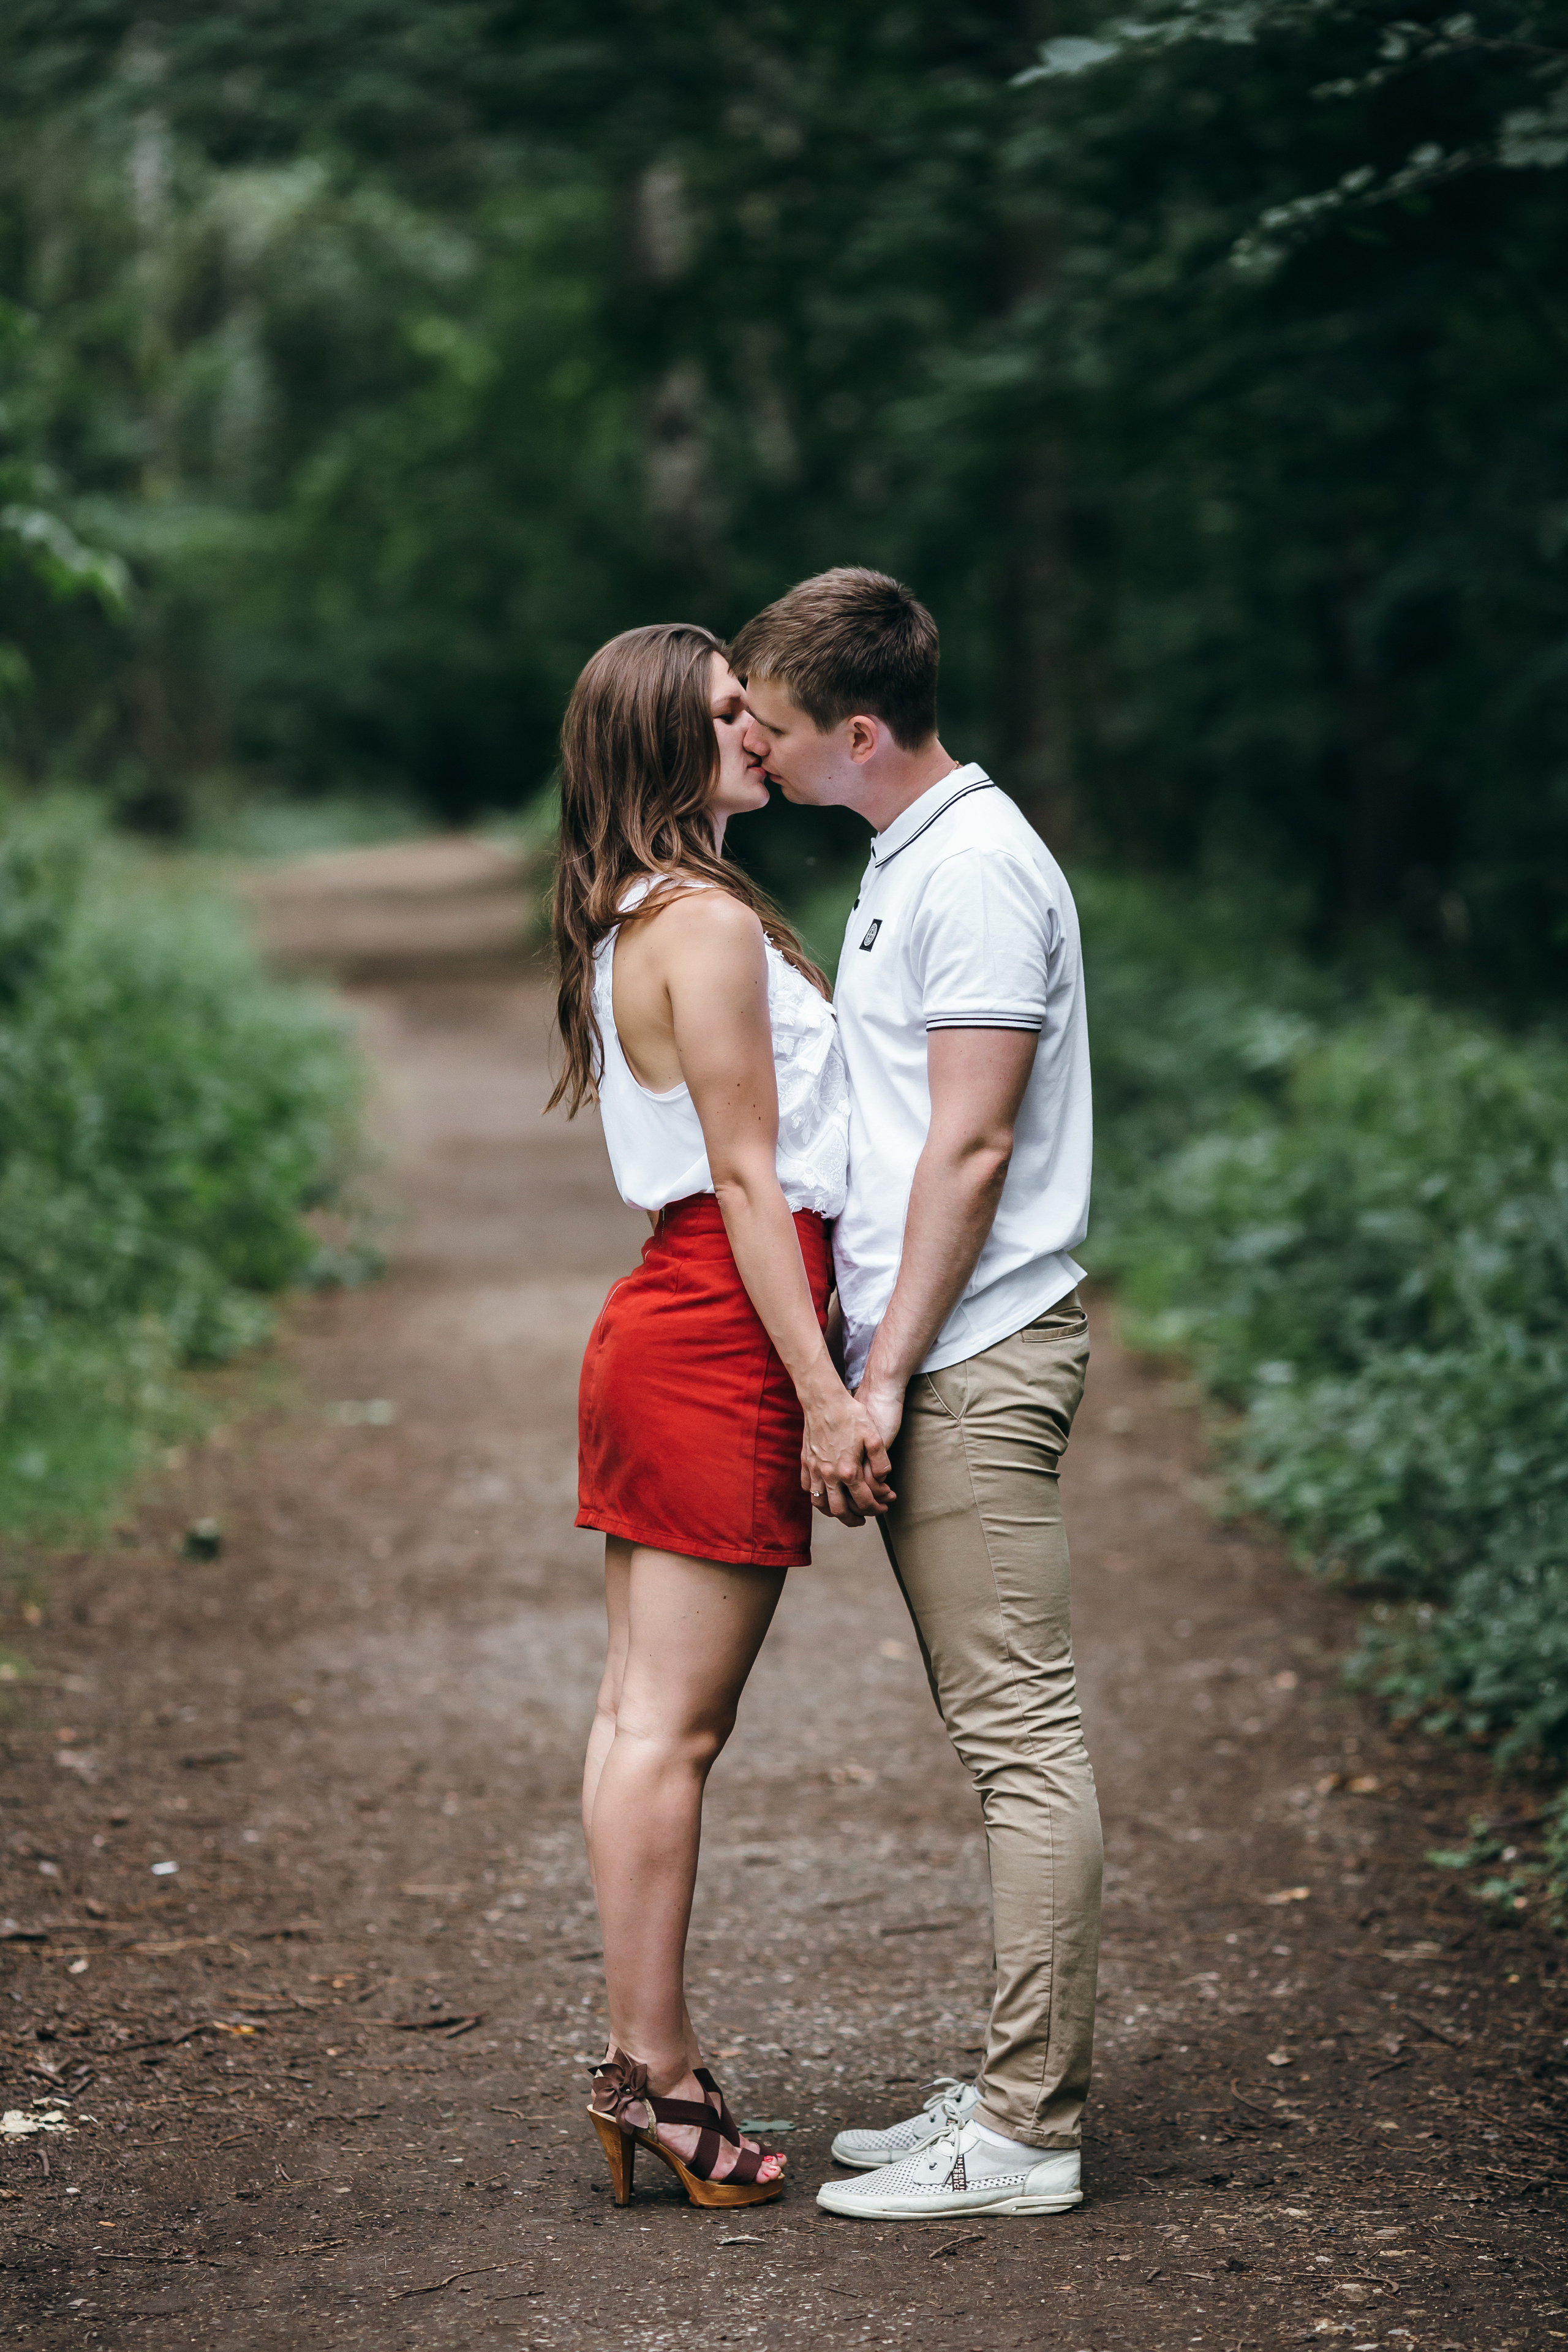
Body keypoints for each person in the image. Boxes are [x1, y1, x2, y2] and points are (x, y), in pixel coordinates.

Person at [731, 568, 1100, 2223]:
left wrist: (875, 1381)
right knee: (997, 1731)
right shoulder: (911, 853)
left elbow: (972, 1144)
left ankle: (1024, 2134)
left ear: (862, 732)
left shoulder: (979, 871)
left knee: (1022, 1739)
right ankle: (1015, 2089)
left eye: (775, 727)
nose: (757, 747)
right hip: (934, 1351)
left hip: (971, 1357)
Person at [548, 622, 892, 2211]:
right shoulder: (701, 923)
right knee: (670, 1733)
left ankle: (645, 2065)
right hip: (723, 1333)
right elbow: (752, 1180)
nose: (755, 729)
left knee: (640, 1720)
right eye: (721, 714)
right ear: (656, 745)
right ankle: (658, 2076)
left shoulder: (649, 910)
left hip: (676, 1319)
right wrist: (825, 1395)